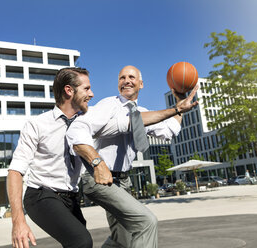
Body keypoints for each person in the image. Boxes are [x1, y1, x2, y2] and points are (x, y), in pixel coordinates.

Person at [66, 65, 199, 248]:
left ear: (141, 84)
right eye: (122, 78)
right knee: (146, 222)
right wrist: (96, 162)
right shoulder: (109, 105)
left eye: (131, 77)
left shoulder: (142, 112)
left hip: (123, 182)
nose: (126, 81)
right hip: (100, 178)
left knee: (121, 239)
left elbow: (169, 131)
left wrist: (180, 102)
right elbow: (80, 127)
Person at [7, 67, 122, 248]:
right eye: (86, 88)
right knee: (81, 241)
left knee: (81, 242)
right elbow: (15, 171)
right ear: (69, 90)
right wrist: (18, 221)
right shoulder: (37, 125)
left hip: (72, 197)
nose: (91, 94)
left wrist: (176, 110)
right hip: (40, 195)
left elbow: (125, 123)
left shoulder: (88, 123)